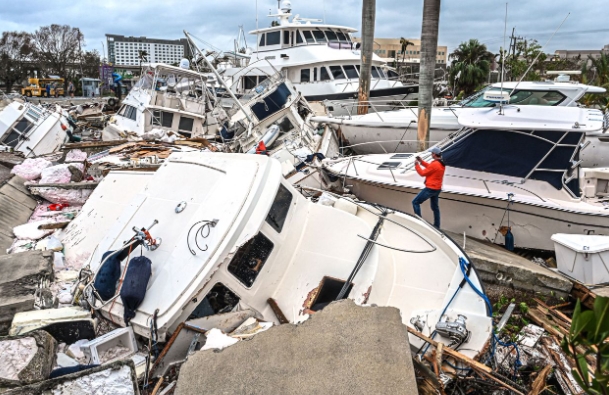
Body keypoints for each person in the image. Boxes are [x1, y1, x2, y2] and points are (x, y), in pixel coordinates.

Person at [412, 146, 446, 229]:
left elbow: (422, 173)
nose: (431, 154)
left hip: (430, 188)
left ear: (434, 154)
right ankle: (437, 225)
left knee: (415, 202)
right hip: (437, 189)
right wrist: (421, 162)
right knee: (435, 208)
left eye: (432, 153)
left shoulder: (435, 164)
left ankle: (419, 222)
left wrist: (417, 165)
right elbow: (430, 167)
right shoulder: (441, 163)